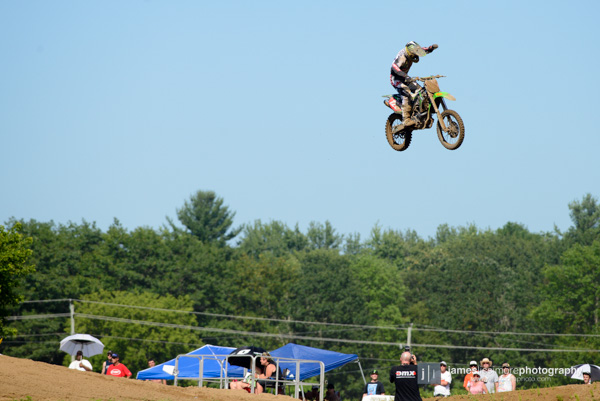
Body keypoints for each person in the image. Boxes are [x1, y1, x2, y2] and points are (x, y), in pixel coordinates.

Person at [387, 41, 438, 128]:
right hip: (396, 79)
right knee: (406, 94)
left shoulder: (412, 51)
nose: (415, 56)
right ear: (410, 52)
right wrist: (405, 76)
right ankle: (406, 119)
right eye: (414, 54)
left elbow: (421, 50)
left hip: (406, 78)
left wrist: (430, 48)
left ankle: (419, 112)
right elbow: (394, 68)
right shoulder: (402, 57)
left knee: (421, 91)